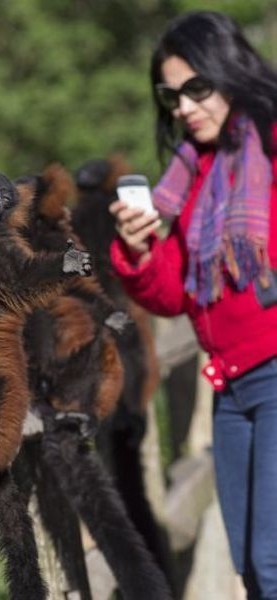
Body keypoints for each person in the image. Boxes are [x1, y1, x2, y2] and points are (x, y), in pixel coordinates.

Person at [109, 10, 277, 600]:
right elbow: (173, 294)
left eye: (195, 88)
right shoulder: (191, 173)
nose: (183, 106)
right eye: (171, 94)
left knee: (272, 560)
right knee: (252, 569)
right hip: (231, 390)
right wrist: (138, 248)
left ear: (229, 71)